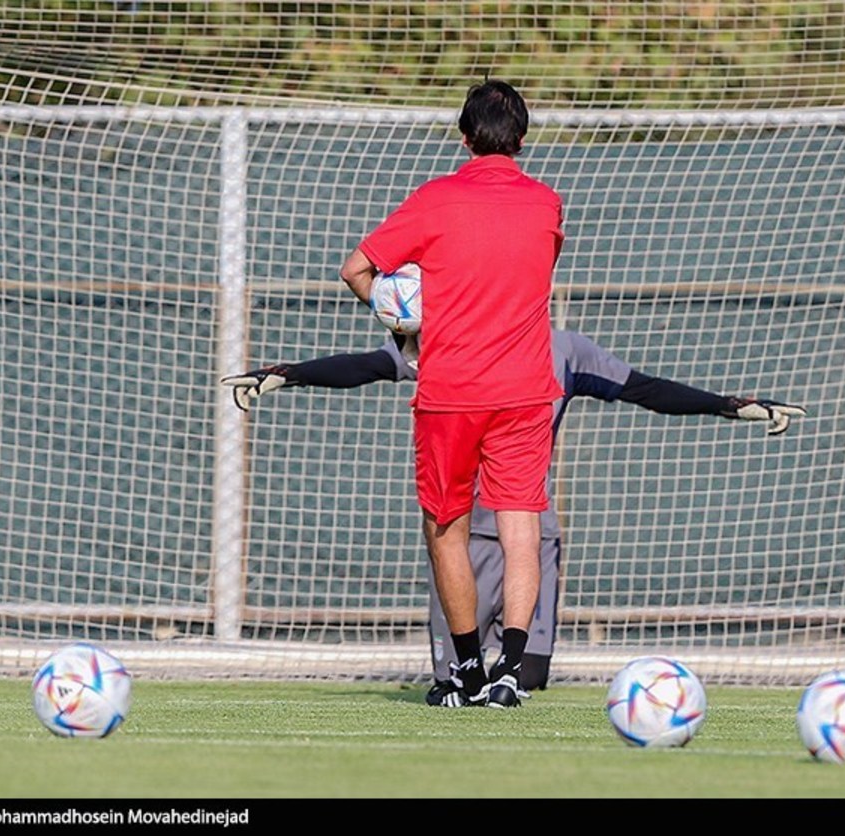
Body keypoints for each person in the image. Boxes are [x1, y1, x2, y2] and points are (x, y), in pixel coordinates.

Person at [222, 330, 806, 704]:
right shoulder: (451, 337)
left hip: (533, 534)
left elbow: (646, 389)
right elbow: (370, 364)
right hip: (466, 537)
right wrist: (290, 372)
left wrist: (729, 406)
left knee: (526, 680)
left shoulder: (566, 351)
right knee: (459, 684)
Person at [335, 79, 565, 708]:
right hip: (523, 390)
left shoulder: (434, 200)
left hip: (451, 390)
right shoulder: (547, 204)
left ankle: (465, 672)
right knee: (523, 530)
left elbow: (355, 269)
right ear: (521, 137)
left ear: (463, 136)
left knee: (447, 531)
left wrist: (404, 323)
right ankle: (511, 672)